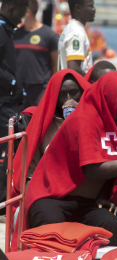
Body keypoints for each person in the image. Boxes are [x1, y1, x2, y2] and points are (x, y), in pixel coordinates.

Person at [16, 72, 117, 248]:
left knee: (109, 225)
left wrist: (104, 195)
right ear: (109, 99)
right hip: (53, 198)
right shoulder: (84, 118)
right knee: (53, 227)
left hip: (88, 202)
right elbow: (93, 169)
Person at [12, 69, 90, 200]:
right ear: (55, 96)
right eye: (62, 94)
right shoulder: (44, 124)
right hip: (50, 192)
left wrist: (82, 114)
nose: (68, 99)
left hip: (85, 191)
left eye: (74, 93)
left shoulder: (93, 119)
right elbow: (30, 170)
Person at [14, 0, 59, 108]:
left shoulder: (50, 36)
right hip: (18, 90)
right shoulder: (15, 34)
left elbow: (56, 64)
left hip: (40, 91)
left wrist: (51, 89)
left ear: (28, 11)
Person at [0, 0, 28, 160]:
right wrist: (11, 81)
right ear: (11, 9)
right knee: (6, 155)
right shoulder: (1, 29)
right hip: (4, 103)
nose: (22, 18)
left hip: (8, 100)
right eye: (21, 12)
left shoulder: (6, 29)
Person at [57, 0, 95, 76]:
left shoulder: (70, 28)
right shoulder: (76, 32)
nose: (94, 9)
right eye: (91, 6)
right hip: (78, 87)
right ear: (78, 8)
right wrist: (93, 82)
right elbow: (73, 69)